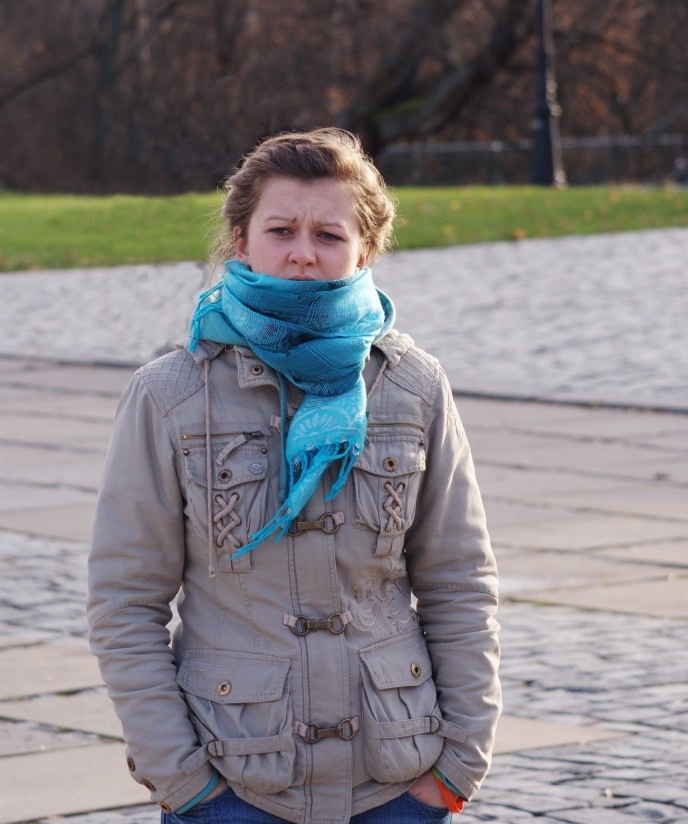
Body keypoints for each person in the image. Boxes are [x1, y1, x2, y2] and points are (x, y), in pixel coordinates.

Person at [87, 127, 501, 824]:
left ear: (364, 250)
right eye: (281, 230)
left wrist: (457, 765)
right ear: (241, 241)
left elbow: (460, 582)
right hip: (233, 785)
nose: (303, 253)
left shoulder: (413, 386)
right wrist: (183, 780)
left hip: (397, 782)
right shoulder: (171, 395)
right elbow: (124, 601)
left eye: (329, 235)